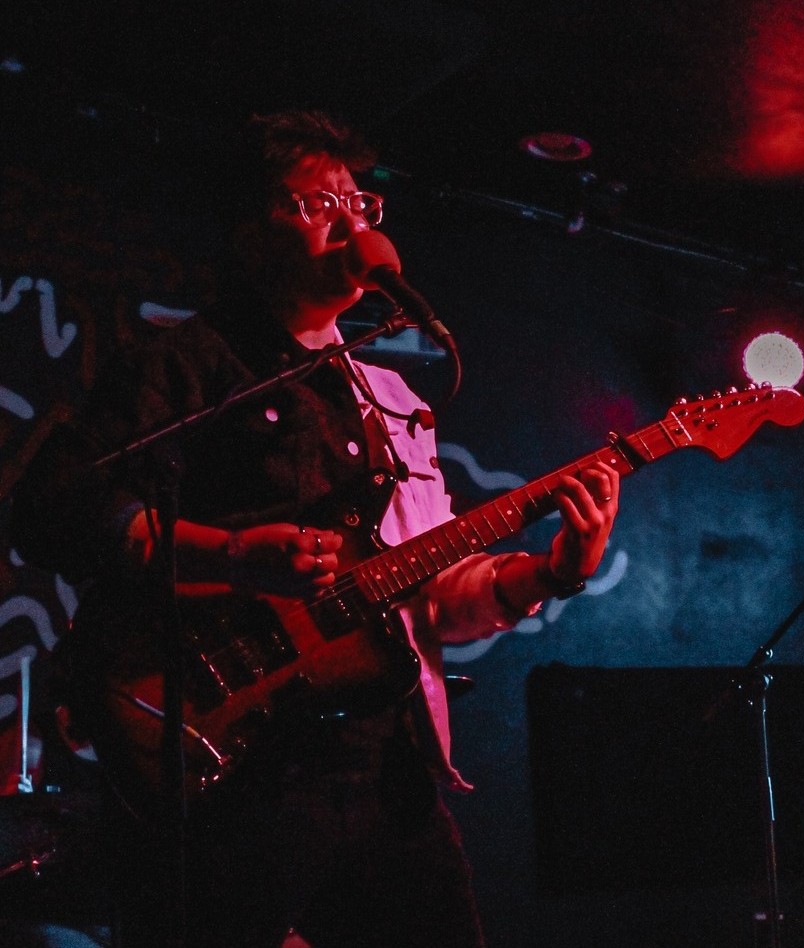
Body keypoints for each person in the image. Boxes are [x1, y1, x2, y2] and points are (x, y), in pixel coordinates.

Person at [9, 109, 620, 947]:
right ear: (251, 230)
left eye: (361, 202)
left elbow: (436, 595)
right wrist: (231, 555)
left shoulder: (393, 402)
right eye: (317, 202)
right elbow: (56, 510)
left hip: (382, 765)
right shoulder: (181, 366)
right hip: (238, 767)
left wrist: (552, 572)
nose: (351, 220)